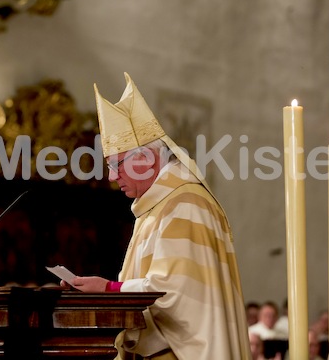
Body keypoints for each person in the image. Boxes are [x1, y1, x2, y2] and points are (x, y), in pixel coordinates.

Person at [61, 73, 250, 359]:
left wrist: (109, 289)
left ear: (147, 158)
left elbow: (175, 293)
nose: (112, 177)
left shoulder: (185, 204)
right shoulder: (160, 205)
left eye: (117, 164)